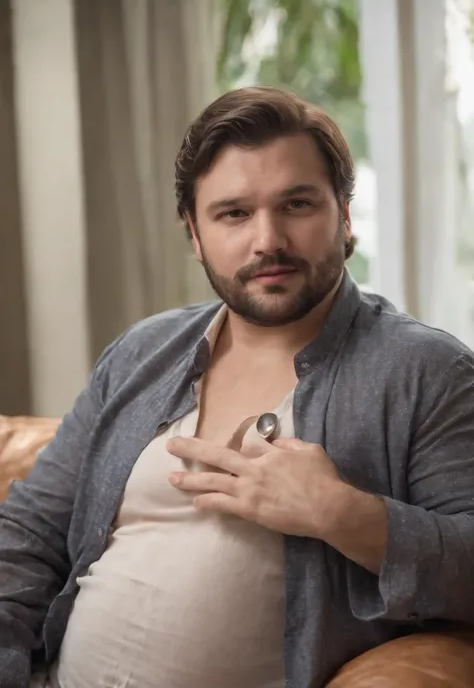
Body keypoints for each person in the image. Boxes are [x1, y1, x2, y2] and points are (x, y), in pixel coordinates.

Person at [1, 86, 474, 688]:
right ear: (195, 234)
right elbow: (29, 536)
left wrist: (346, 515)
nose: (267, 240)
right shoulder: (142, 352)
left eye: (297, 204)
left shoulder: (426, 371)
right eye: (234, 214)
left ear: (345, 215)